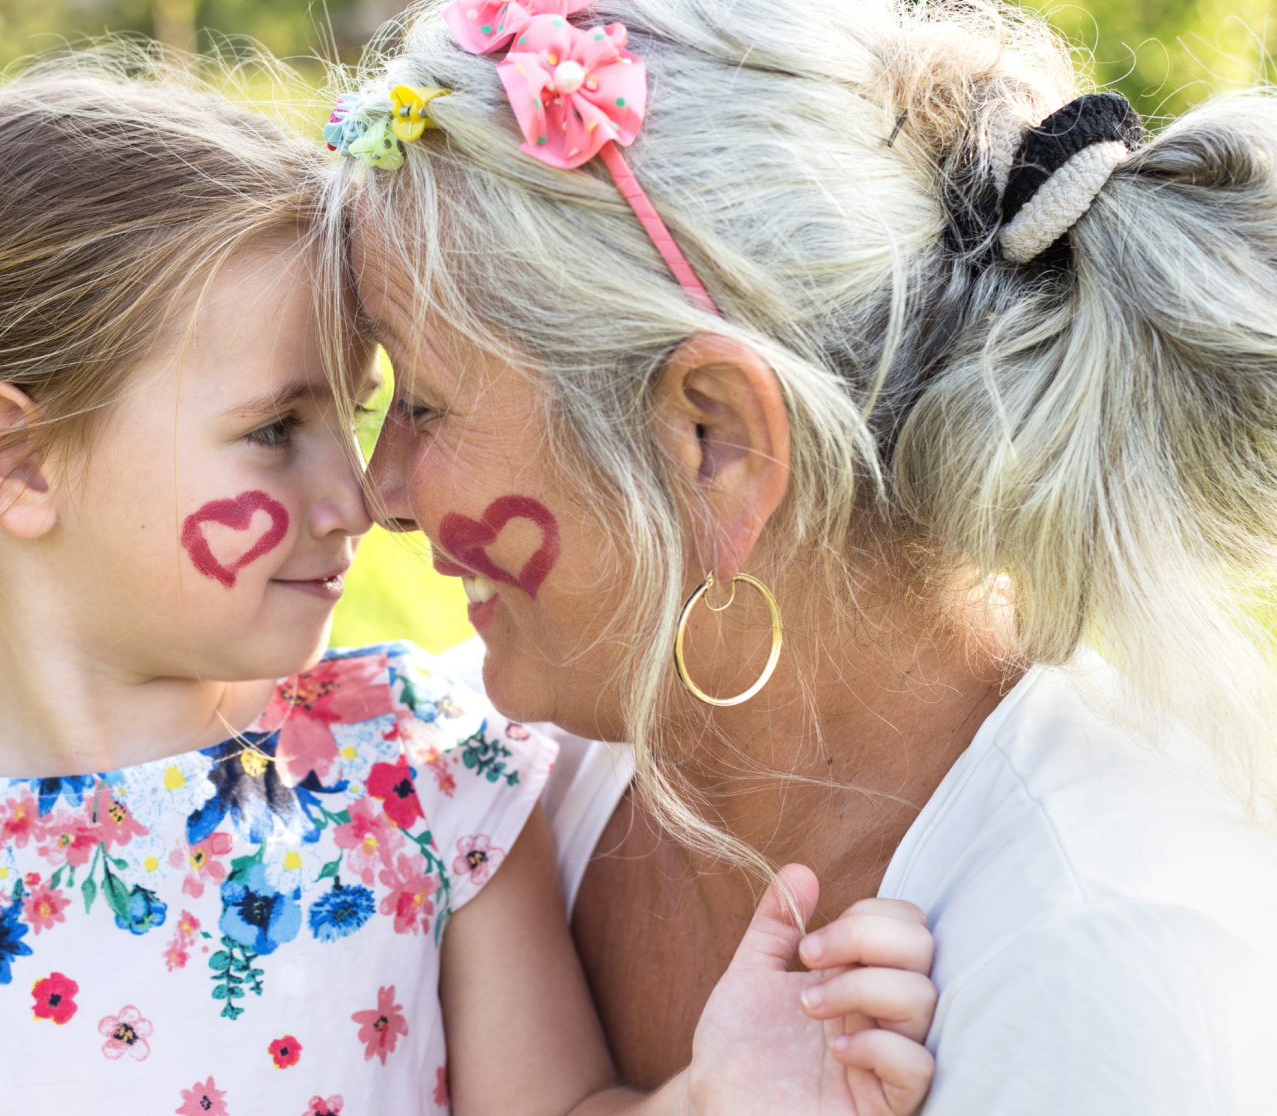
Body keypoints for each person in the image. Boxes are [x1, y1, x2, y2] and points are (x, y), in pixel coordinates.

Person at [0, 66, 939, 1116]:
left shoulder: (416, 773)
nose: (361, 495)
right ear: (19, 462)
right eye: (276, 429)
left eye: (358, 414)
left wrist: (721, 1099)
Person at [326, 0, 1277, 1110]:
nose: (379, 492)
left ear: (713, 441)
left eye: (422, 402)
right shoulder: (477, 788)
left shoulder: (1109, 975)